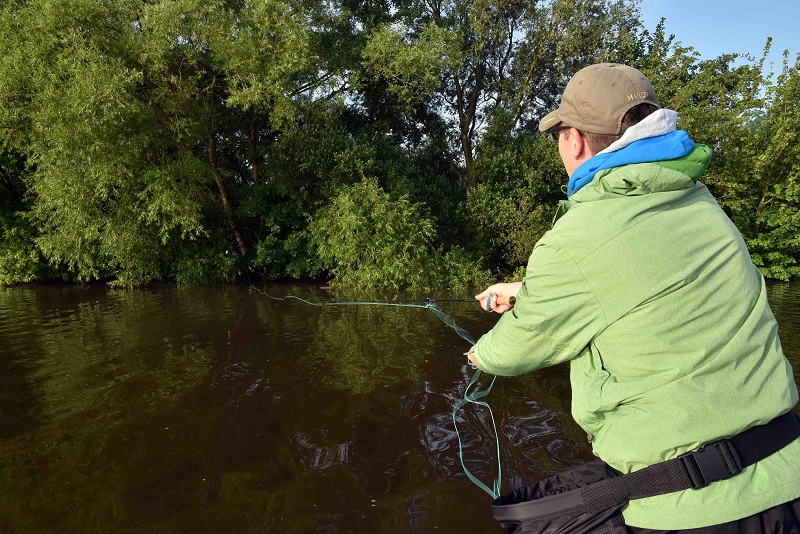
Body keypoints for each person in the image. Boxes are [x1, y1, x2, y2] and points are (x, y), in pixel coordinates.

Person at [468, 63, 800, 532]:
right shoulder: (699, 203)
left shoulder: (576, 237)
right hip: (788, 474)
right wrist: (527, 292)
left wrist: (480, 354)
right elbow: (644, 279)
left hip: (698, 510)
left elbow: (514, 350)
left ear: (575, 139)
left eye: (559, 134)